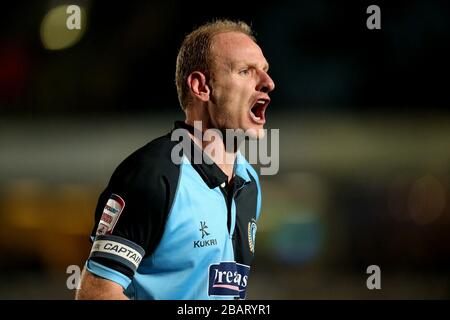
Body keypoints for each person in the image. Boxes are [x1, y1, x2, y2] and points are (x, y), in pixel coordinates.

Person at [75, 19, 275, 300]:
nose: (268, 83)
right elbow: (96, 294)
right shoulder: (154, 173)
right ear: (201, 87)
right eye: (245, 71)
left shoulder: (248, 182)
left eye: (265, 72)